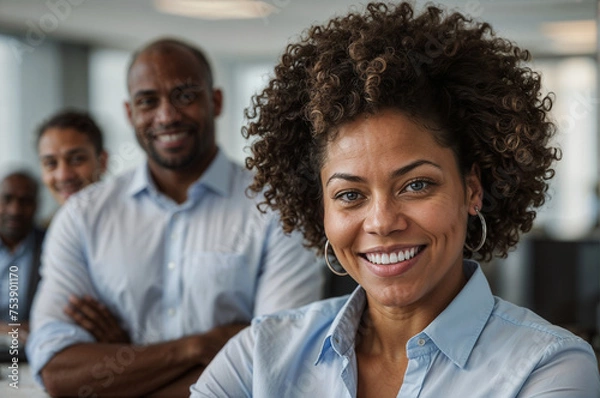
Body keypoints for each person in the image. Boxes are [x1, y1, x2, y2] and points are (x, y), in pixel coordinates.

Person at [190, 2, 600, 397]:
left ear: (472, 188)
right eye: (350, 195)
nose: (382, 222)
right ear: (321, 211)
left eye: (416, 185)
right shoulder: (259, 355)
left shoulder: (547, 367)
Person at [27, 37, 324, 397]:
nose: (166, 116)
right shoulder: (81, 216)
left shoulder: (277, 207)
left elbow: (276, 365)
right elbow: (58, 371)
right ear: (129, 113)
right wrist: (197, 347)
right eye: (148, 101)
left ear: (215, 101)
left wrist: (127, 363)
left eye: (184, 95)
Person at [0, 171, 44, 343]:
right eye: (7, 199)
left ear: (36, 205)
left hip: (32, 346)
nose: (15, 210)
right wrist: (7, 330)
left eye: (25, 201)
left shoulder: (51, 245)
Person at [36, 109, 108, 207]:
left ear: (102, 162)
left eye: (76, 159)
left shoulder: (128, 218)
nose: (63, 176)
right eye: (51, 163)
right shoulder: (53, 222)